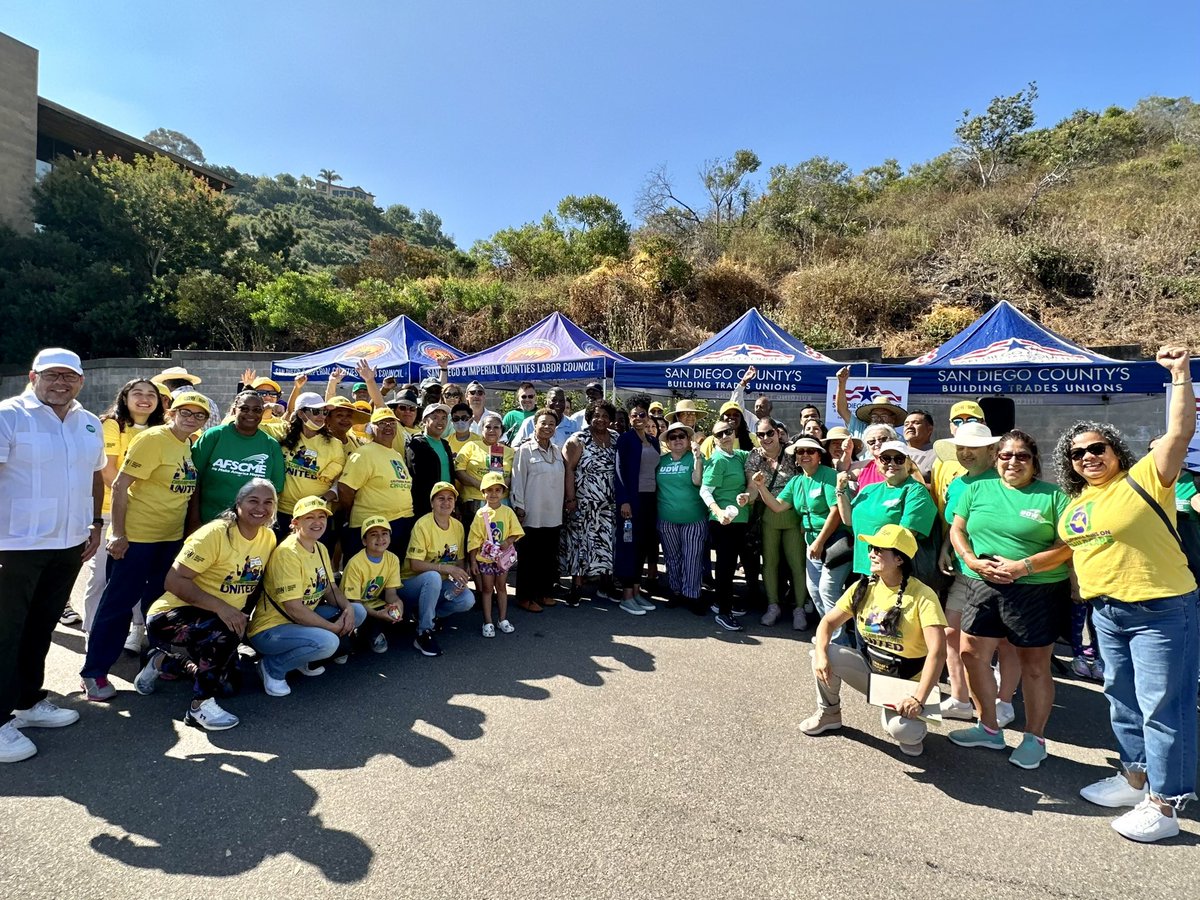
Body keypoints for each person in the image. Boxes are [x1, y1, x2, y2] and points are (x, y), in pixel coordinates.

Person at [1055, 346, 1198, 842]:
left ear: (1116, 451)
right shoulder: (1075, 503)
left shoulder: (1146, 478)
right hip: (1107, 613)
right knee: (1121, 699)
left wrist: (1180, 376)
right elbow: (1078, 551)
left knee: (1165, 706)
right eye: (1078, 454)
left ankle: (1167, 803)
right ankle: (1135, 777)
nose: (1088, 457)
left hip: (1162, 609)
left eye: (1097, 448)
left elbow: (1179, 433)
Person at [0, 348, 105, 764]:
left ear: (80, 380)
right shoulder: (8, 415)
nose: (60, 383)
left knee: (40, 627)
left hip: (67, 544)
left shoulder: (88, 421)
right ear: (33, 377)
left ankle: (27, 701)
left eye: (69, 376)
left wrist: (95, 523)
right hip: (13, 545)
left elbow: (94, 475)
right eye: (51, 375)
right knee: (5, 633)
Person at [946, 429, 1072, 769]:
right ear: (996, 458)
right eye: (1006, 455)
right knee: (972, 655)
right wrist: (970, 560)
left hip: (1037, 589)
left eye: (1022, 456)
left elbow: (1067, 546)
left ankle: (1034, 738)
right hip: (981, 583)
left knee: (1035, 666)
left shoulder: (1054, 496)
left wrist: (1023, 567)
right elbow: (957, 529)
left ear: (1034, 461)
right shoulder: (976, 489)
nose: (1013, 461)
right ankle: (988, 728)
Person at [79, 392, 209, 701]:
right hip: (138, 538)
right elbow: (120, 485)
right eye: (185, 412)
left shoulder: (187, 444)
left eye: (199, 415)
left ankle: (155, 662)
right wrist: (118, 533)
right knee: (118, 604)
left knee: (158, 605)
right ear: (171, 413)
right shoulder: (153, 439)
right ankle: (94, 671)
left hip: (169, 540)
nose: (191, 418)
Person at [137, 479, 279, 730]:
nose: (261, 508)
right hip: (171, 615)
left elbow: (254, 584)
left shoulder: (268, 537)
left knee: (228, 687)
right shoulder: (214, 534)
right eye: (253, 501)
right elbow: (173, 580)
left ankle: (161, 662)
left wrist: (243, 616)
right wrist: (222, 608)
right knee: (224, 632)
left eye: (268, 502)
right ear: (238, 503)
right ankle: (198, 707)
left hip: (217, 619)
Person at [800, 524, 947, 757]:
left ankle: (908, 722)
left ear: (899, 559)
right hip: (872, 672)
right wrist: (820, 656)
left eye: (879, 550)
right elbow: (827, 623)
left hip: (907, 683)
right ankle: (829, 713)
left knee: (904, 731)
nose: (871, 554)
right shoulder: (863, 587)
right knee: (825, 653)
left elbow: (938, 652)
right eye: (871, 548)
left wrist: (918, 698)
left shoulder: (923, 596)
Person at [67, 379, 165, 643]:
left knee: (138, 577)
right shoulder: (112, 425)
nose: (144, 399)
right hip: (110, 512)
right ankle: (92, 631)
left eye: (151, 394)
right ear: (124, 398)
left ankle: (137, 629)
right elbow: (108, 472)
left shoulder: (162, 430)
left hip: (145, 515)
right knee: (100, 576)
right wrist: (137, 499)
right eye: (137, 393)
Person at [248, 496, 367, 696]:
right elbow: (294, 608)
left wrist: (347, 608)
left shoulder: (320, 547)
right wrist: (332, 628)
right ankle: (272, 667)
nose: (317, 522)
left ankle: (303, 658)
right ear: (295, 523)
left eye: (322, 516)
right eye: (309, 517)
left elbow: (330, 588)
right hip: (271, 629)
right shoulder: (288, 553)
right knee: (328, 641)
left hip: (300, 621)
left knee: (358, 611)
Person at [932, 422, 1001, 722]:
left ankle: (999, 702)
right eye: (961, 448)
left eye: (973, 447)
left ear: (990, 450)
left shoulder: (1002, 481)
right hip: (963, 570)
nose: (965, 453)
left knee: (996, 644)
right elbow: (954, 525)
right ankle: (960, 699)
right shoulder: (957, 483)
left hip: (993, 572)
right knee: (951, 635)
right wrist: (946, 548)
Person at [757, 437, 854, 643]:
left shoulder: (829, 475)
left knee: (828, 590)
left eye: (810, 451)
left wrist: (819, 542)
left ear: (819, 455)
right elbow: (777, 506)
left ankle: (839, 642)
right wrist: (761, 487)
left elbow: (835, 512)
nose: (805, 455)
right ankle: (831, 636)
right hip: (813, 542)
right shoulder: (796, 481)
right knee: (815, 590)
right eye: (800, 452)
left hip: (835, 541)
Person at [835, 441, 936, 586]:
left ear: (909, 464)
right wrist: (840, 490)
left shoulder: (916, 491)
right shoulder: (869, 489)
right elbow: (848, 520)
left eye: (899, 459)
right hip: (866, 568)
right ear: (878, 462)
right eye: (886, 459)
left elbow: (905, 535)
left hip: (895, 573)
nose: (892, 463)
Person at [188, 390, 286, 531]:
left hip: (249, 527)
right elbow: (193, 478)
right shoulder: (214, 436)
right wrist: (193, 520)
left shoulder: (271, 445)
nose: (251, 414)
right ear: (234, 410)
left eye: (257, 410)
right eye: (244, 409)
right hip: (207, 522)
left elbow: (275, 489)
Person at [399, 482, 477, 657]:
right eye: (441, 498)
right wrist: (445, 568)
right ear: (432, 503)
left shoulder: (457, 526)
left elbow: (460, 561)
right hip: (410, 584)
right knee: (433, 576)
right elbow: (414, 564)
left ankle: (429, 615)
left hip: (438, 584)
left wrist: (461, 581)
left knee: (467, 599)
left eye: (450, 498)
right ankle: (423, 632)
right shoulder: (423, 525)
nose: (446, 502)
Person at [745, 418, 806, 628]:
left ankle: (799, 608)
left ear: (778, 433)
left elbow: (805, 478)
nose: (765, 438)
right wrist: (747, 497)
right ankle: (773, 606)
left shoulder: (792, 452)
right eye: (760, 434)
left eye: (769, 433)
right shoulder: (754, 456)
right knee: (770, 562)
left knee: (797, 564)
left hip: (792, 514)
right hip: (768, 515)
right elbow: (752, 487)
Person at [262, 392, 344, 543]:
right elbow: (250, 424)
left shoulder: (335, 444)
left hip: (315, 514)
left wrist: (324, 498)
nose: (321, 416)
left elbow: (339, 481)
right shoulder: (282, 431)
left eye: (324, 412)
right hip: (283, 512)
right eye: (316, 411)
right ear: (301, 413)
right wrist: (267, 407)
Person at [338, 408, 414, 562]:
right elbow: (345, 489)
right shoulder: (363, 454)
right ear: (371, 427)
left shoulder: (396, 454)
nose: (388, 426)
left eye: (392, 423)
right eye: (381, 423)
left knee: (392, 572)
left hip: (401, 523)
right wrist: (351, 512)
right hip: (373, 526)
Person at [562, 400, 618, 606]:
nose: (600, 419)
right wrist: (570, 498)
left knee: (606, 543)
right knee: (580, 543)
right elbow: (569, 470)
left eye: (605, 416)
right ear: (588, 417)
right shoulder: (578, 439)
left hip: (608, 504)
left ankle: (606, 584)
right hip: (583, 503)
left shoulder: (616, 438)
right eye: (596, 415)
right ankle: (576, 586)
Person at [701, 419, 753, 631]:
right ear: (714, 439)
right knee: (726, 567)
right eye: (719, 434)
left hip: (739, 521)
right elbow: (705, 491)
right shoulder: (718, 460)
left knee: (730, 566)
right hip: (723, 522)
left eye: (728, 431)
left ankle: (721, 603)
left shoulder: (739, 456)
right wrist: (719, 511)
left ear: (734, 433)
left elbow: (758, 455)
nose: (725, 436)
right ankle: (724, 612)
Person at [614, 394, 660, 616]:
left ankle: (636, 590)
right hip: (631, 501)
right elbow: (619, 472)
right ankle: (626, 596)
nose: (638, 418)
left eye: (642, 414)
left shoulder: (653, 440)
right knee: (629, 546)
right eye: (634, 415)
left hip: (650, 500)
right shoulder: (625, 439)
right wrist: (624, 500)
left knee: (642, 546)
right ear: (630, 418)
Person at [655, 422, 707, 614]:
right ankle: (676, 591)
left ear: (688, 439)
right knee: (672, 557)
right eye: (672, 437)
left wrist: (697, 457)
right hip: (666, 518)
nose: (677, 440)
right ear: (667, 442)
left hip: (694, 518)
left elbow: (698, 481)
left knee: (692, 558)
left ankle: (692, 595)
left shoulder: (696, 458)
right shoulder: (660, 461)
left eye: (681, 436)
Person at [468, 472, 524, 637]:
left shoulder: (507, 512)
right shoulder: (480, 514)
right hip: (485, 559)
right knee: (487, 589)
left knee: (501, 587)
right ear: (483, 492)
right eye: (489, 490)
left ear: (503, 492)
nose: (493, 494)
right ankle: (488, 621)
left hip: (502, 559)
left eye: (497, 490)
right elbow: (473, 539)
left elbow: (516, 531)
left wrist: (508, 541)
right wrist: (473, 562)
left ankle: (502, 619)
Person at [340, 515, 404, 655]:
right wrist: (377, 614)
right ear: (364, 541)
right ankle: (350, 639)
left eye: (384, 533)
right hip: (352, 606)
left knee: (393, 615)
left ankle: (370, 633)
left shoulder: (393, 559)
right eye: (374, 535)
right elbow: (354, 601)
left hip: (374, 603)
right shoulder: (356, 563)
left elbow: (391, 594)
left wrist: (398, 605)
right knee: (365, 616)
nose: (380, 538)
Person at [456, 413, 514, 521]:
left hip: (502, 503)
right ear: (482, 430)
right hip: (473, 502)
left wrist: (503, 485)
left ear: (501, 431)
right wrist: (481, 485)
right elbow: (459, 471)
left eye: (496, 427)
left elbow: (514, 475)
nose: (492, 430)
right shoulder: (471, 446)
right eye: (488, 427)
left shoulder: (510, 452)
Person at [406, 403, 457, 520]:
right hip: (425, 508)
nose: (440, 422)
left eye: (444, 418)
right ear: (424, 421)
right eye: (435, 418)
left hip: (446, 504)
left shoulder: (445, 445)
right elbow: (415, 478)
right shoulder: (417, 444)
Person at [514, 386, 579, 448]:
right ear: (546, 402)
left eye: (561, 401)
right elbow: (515, 446)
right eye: (554, 400)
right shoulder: (530, 422)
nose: (558, 403)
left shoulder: (573, 424)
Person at [850, 423, 899, 489]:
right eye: (872, 441)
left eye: (882, 439)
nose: (877, 443)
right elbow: (841, 469)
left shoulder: (903, 464)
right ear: (867, 446)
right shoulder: (864, 468)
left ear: (893, 440)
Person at [903, 410, 937, 480]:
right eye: (906, 424)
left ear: (929, 429)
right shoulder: (897, 451)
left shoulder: (937, 454)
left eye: (916, 423)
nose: (909, 426)